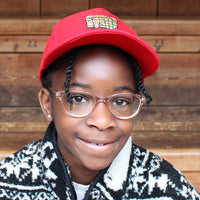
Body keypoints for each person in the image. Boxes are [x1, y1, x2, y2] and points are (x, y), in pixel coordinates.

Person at [0, 8, 199, 200]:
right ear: (46, 103)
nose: (102, 121)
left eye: (120, 101)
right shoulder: (7, 183)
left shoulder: (169, 189)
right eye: (78, 98)